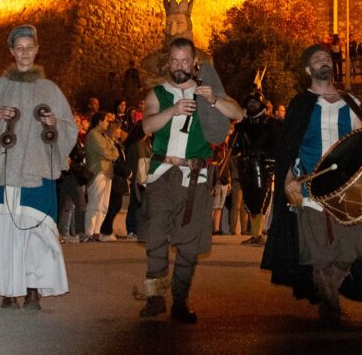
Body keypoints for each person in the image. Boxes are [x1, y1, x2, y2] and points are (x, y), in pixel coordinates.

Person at [262, 44, 362, 327]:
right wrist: (288, 181)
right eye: (317, 59)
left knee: (351, 251)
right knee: (318, 252)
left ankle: (329, 291)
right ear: (308, 70)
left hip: (350, 192)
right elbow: (287, 147)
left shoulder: (353, 103)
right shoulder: (300, 104)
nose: (324, 62)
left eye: (327, 59)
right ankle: (330, 302)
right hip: (310, 190)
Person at [0, 24, 78, 309]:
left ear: (36, 50)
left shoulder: (49, 89)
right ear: (12, 52)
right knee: (2, 230)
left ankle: (33, 288)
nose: (25, 53)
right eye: (19, 48)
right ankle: (8, 289)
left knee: (36, 231)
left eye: (29, 47)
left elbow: (68, 126)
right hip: (2, 171)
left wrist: (54, 124)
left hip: (35, 171)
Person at [137, 37, 242, 323]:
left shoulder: (206, 91)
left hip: (196, 177)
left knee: (189, 245)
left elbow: (238, 113)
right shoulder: (158, 93)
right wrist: (173, 111)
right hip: (163, 174)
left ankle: (180, 301)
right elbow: (147, 125)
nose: (180, 65)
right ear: (168, 62)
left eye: (185, 60)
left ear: (194, 62)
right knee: (156, 237)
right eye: (175, 60)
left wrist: (213, 99)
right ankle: (156, 297)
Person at [234, 89, 280, 246]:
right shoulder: (243, 125)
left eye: (255, 102)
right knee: (249, 198)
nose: (252, 104)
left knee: (260, 197)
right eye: (250, 102)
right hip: (245, 165)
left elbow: (278, 146)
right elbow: (235, 148)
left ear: (262, 104)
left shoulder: (272, 123)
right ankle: (255, 234)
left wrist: (267, 157)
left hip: (263, 165)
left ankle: (258, 234)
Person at [83, 111, 119, 241]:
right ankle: (89, 232)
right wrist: (110, 154)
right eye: (106, 121)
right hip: (98, 172)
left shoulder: (104, 136)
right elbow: (104, 152)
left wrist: (110, 154)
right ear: (99, 121)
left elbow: (115, 152)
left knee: (103, 205)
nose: (108, 123)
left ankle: (97, 232)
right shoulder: (92, 135)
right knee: (95, 203)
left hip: (107, 173)